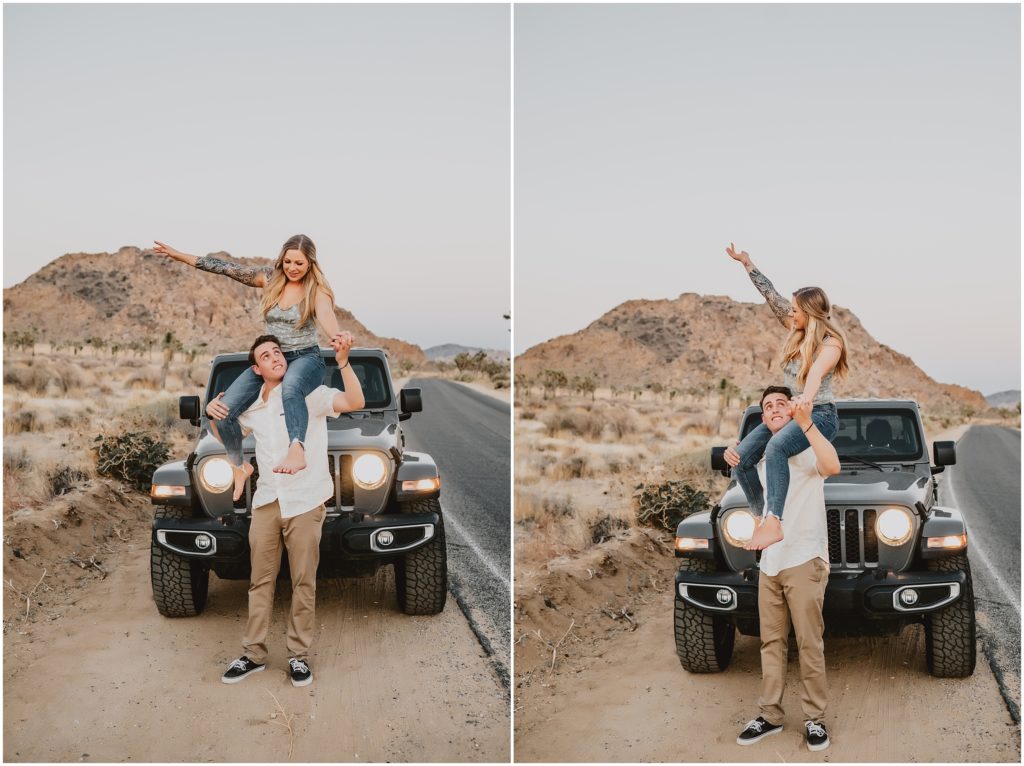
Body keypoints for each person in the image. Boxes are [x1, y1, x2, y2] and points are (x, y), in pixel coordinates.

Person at [214, 333, 365, 687]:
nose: (275, 357)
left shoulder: (310, 395)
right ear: (257, 369)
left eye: (278, 352)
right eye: (266, 355)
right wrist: (216, 412)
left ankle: (298, 656)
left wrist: (342, 362)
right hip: (267, 501)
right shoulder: (253, 407)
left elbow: (355, 401)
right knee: (260, 581)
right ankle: (253, 654)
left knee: (303, 582)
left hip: (305, 501)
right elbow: (226, 433)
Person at [152, 235, 347, 499]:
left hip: (305, 358)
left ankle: (296, 448)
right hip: (272, 358)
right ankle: (239, 465)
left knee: (291, 387)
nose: (292, 267)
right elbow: (223, 267)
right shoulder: (269, 279)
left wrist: (336, 336)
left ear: (310, 263)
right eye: (288, 261)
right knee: (222, 411)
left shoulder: (316, 291)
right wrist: (180, 255)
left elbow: (326, 314)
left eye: (299, 263)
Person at [731, 386, 840, 752]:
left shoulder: (806, 449)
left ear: (792, 411)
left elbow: (833, 466)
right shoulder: (762, 461)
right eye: (768, 407)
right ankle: (770, 715)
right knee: (771, 642)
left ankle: (815, 719)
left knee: (810, 643)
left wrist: (808, 424)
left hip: (804, 558)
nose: (775, 409)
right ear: (763, 419)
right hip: (771, 563)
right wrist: (736, 455)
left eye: (782, 403)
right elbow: (755, 498)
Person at [724, 244, 848, 551]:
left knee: (777, 446)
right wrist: (748, 264)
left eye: (795, 309)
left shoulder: (832, 343)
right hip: (795, 410)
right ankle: (761, 519)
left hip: (819, 414)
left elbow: (817, 372)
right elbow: (771, 295)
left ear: (809, 313)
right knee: (740, 461)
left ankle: (774, 522)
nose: (789, 312)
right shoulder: (795, 327)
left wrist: (803, 402)